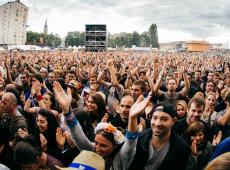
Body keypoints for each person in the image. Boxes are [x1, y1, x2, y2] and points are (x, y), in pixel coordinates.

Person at [53, 81, 148, 170]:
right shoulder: (93, 150)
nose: (97, 148)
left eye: (103, 146)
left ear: (115, 146)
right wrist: (66, 111)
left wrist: (132, 118)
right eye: (96, 143)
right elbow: (79, 137)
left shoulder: (119, 159)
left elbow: (130, 145)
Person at [129, 102, 189, 170]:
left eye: (164, 119)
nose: (157, 123)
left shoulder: (181, 147)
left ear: (173, 121)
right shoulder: (140, 139)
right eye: (155, 118)